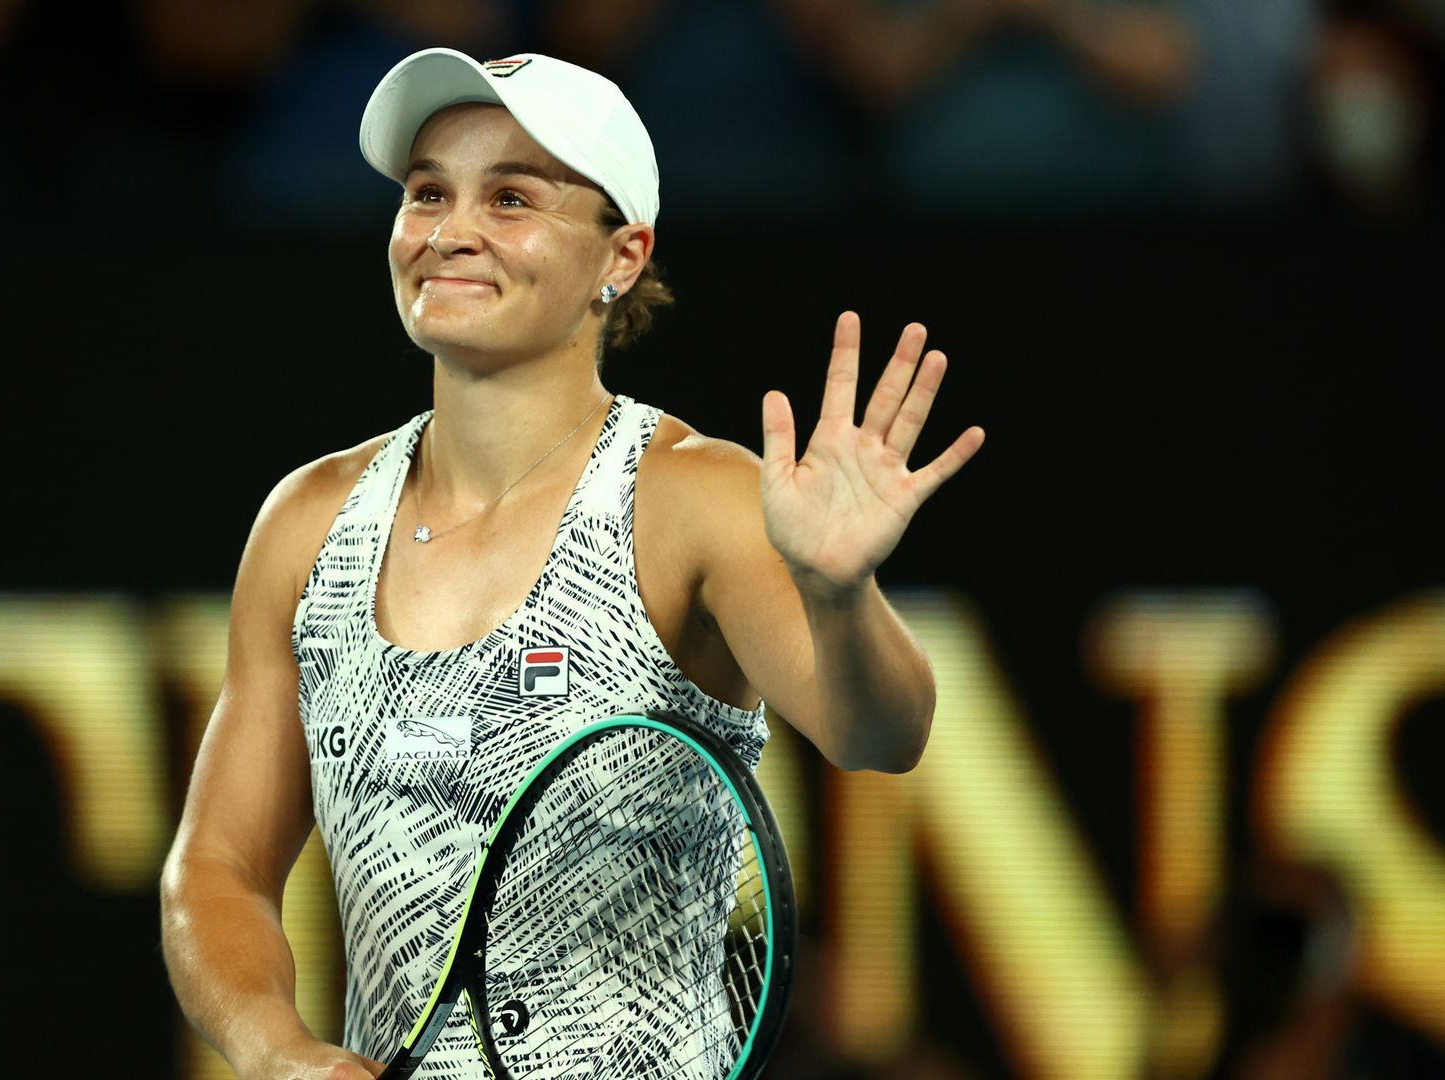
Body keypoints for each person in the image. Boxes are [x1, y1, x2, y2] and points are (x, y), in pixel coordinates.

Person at [159, 46, 985, 1079]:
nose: (451, 232)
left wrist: (841, 591)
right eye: (427, 194)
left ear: (621, 257)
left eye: (511, 199)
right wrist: (276, 1050)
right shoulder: (306, 523)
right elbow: (218, 868)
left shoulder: (691, 499)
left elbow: (880, 734)